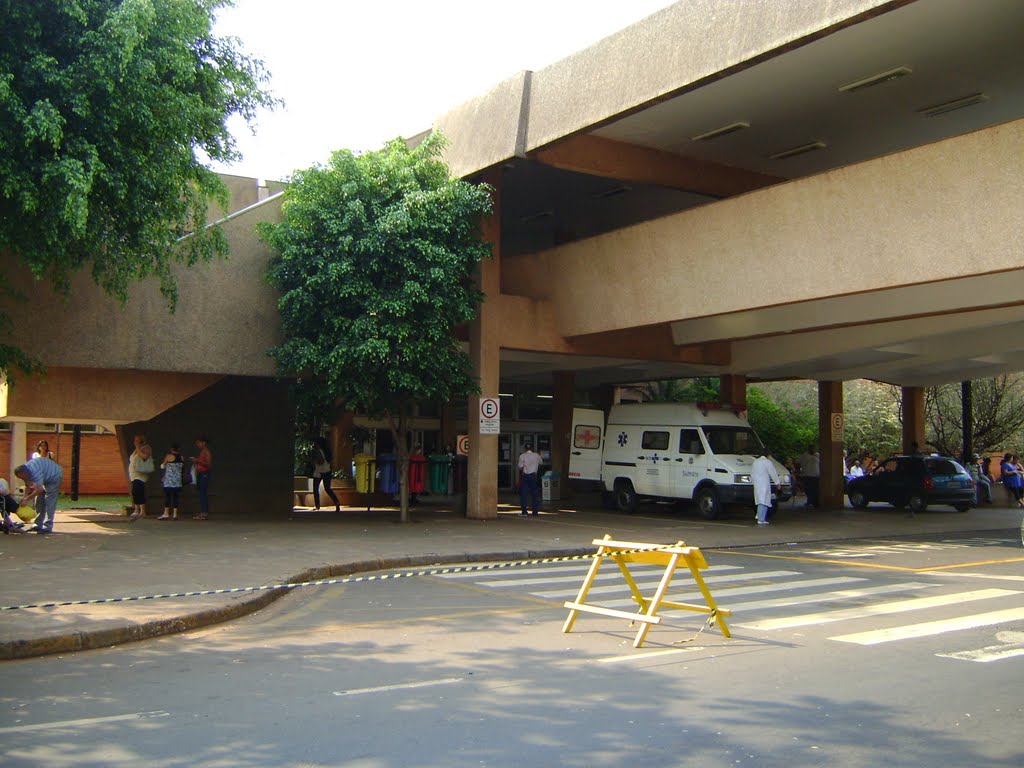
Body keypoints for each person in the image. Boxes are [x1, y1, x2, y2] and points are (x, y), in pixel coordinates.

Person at [14, 455, 63, 534]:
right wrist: (25, 497)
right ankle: (37, 525)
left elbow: (39, 489)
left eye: (22, 478)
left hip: (54, 476)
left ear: (24, 473)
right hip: (45, 475)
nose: (22, 479)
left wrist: (27, 499)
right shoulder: (26, 471)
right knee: (39, 501)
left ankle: (47, 526)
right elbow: (27, 485)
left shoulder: (34, 472)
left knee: (49, 501)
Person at [128, 434, 154, 519]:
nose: (135, 441)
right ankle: (136, 510)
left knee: (139, 491)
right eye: (134, 440)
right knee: (134, 492)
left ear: (141, 440)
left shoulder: (146, 448)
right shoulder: (135, 450)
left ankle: (142, 511)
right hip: (133, 474)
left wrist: (138, 448)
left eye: (137, 440)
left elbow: (145, 456)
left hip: (141, 475)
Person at [310, 437, 340, 512]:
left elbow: (319, 462)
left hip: (319, 472)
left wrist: (313, 461)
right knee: (328, 489)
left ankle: (317, 506)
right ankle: (336, 502)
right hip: (327, 471)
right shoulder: (327, 451)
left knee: (315, 489)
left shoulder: (317, 451)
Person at [752, 452, 780, 525]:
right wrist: (777, 483)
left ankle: (759, 515)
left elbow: (752, 473)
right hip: (764, 483)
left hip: (757, 483)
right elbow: (773, 473)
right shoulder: (767, 462)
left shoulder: (755, 461)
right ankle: (761, 519)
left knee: (760, 500)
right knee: (764, 500)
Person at [158, 444, 185, 520]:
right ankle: (175, 514)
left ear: (172, 449)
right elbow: (182, 468)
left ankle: (166, 513)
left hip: (169, 480)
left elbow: (163, 466)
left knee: (168, 496)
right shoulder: (182, 458)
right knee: (176, 497)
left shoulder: (168, 456)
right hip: (177, 480)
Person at [190, 436, 212, 520]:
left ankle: (204, 513)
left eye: (199, 443)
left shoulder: (207, 452)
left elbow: (209, 464)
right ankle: (202, 511)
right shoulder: (202, 452)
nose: (197, 445)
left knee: (203, 493)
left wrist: (197, 461)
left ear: (204, 443)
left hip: (204, 473)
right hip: (200, 473)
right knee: (200, 492)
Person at [517, 441, 542, 516]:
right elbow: (541, 463)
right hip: (533, 475)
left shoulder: (522, 456)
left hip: (525, 476)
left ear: (525, 449)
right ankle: (535, 511)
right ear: (532, 448)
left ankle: (524, 512)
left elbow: (520, 467)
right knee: (535, 494)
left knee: (524, 494)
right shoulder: (537, 455)